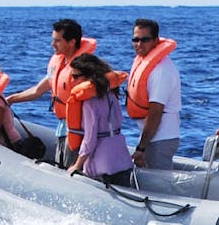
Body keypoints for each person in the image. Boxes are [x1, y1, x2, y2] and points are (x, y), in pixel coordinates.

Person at [7, 19, 97, 167]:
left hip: (77, 131)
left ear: (71, 42)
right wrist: (11, 99)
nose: (52, 44)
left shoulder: (84, 70)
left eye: (57, 41)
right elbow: (37, 91)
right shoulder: (59, 64)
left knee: (70, 170)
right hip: (62, 128)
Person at [65, 54, 134, 187]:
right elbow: (119, 120)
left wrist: (77, 165)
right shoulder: (111, 93)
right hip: (121, 156)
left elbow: (90, 138)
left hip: (102, 163)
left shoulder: (89, 102)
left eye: (76, 76)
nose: (73, 81)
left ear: (88, 76)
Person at [125, 18, 182, 170]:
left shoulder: (161, 71)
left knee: (160, 186)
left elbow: (155, 113)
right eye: (135, 40)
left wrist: (141, 148)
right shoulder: (144, 63)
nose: (139, 44)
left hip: (161, 139)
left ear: (156, 41)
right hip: (152, 137)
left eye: (145, 40)